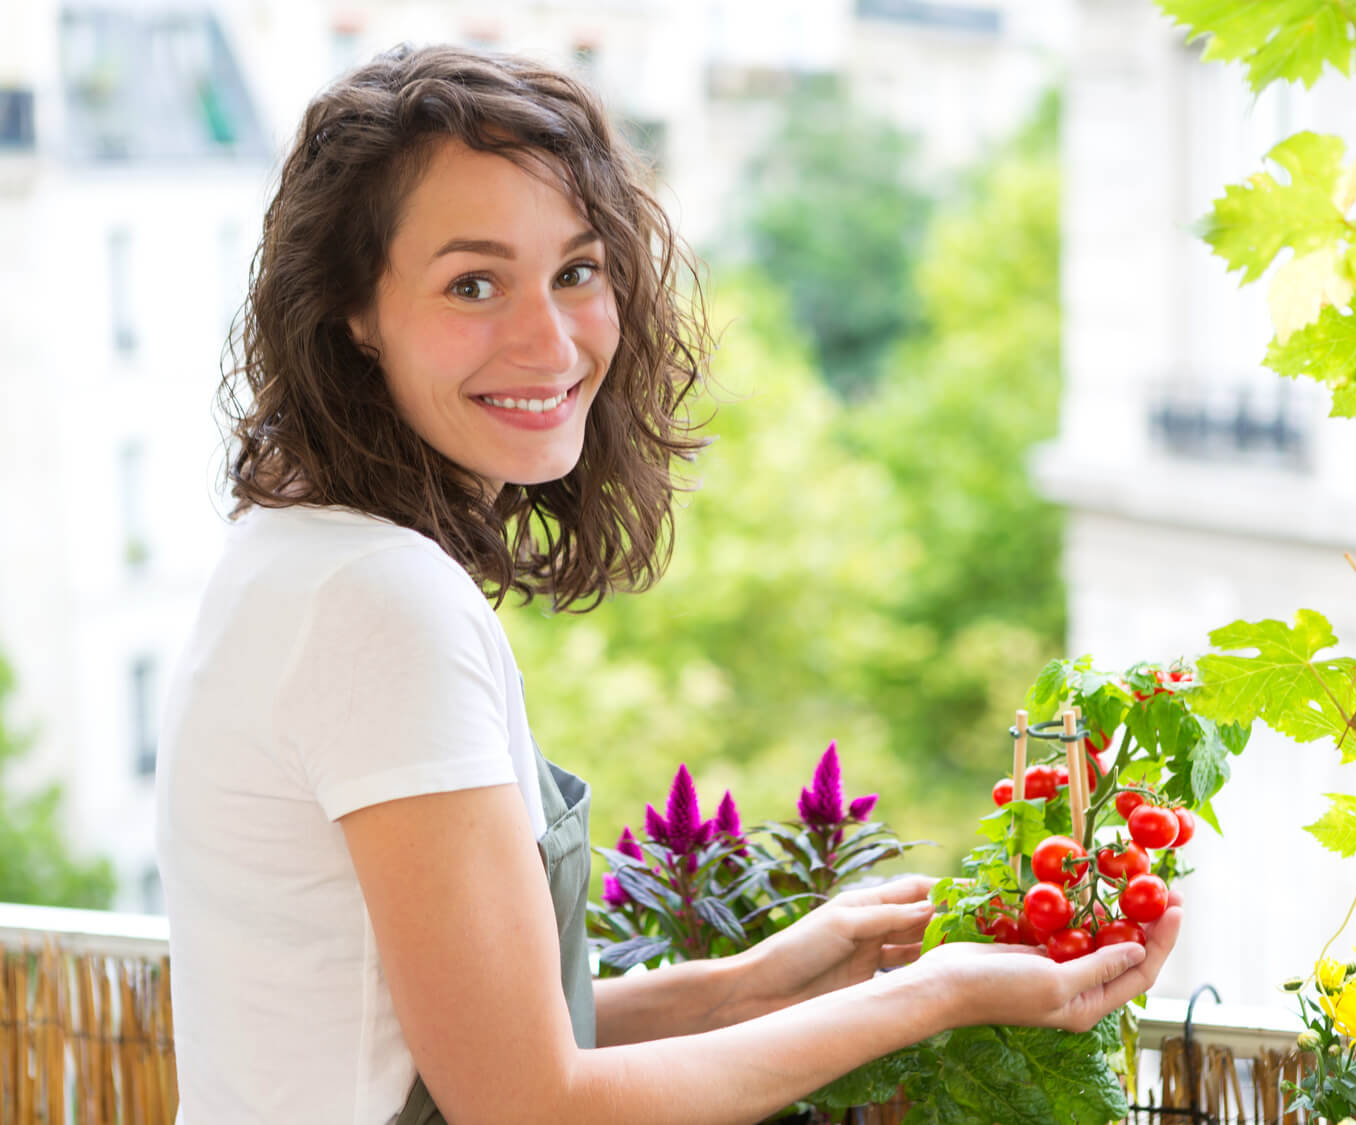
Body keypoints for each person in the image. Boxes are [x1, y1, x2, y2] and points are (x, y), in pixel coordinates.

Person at [156, 44, 1181, 1125]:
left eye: (575, 272)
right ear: (353, 313)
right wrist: (935, 996)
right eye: (472, 283)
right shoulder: (380, 602)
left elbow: (432, 1032)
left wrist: (760, 978)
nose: (547, 341)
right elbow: (527, 1102)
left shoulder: (295, 556)